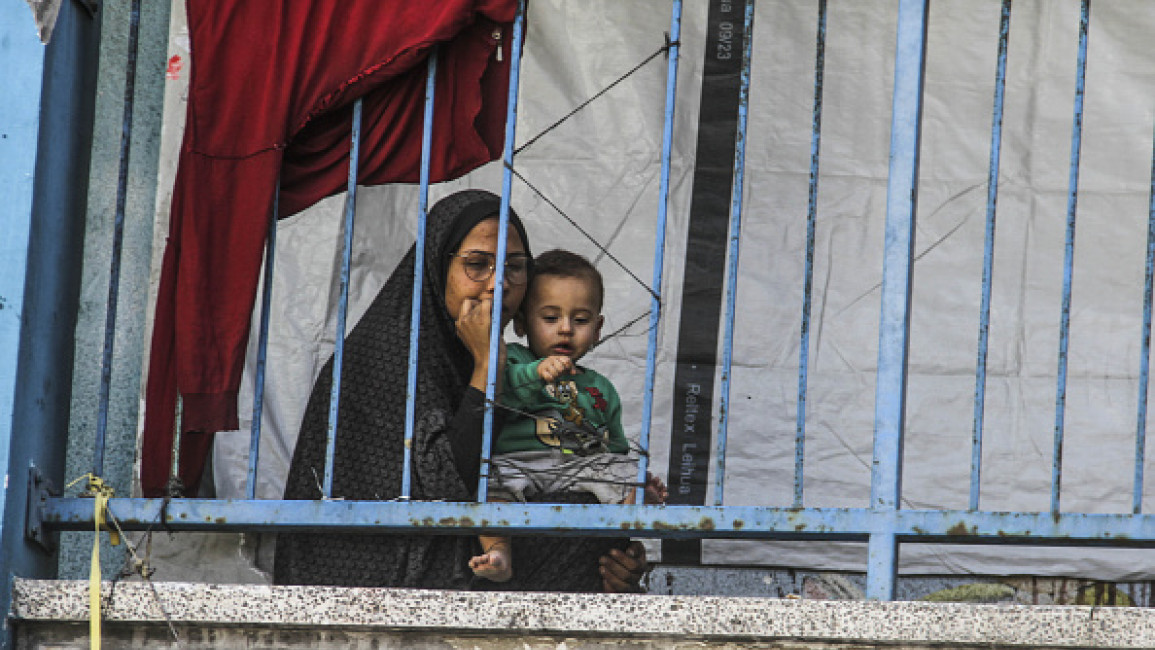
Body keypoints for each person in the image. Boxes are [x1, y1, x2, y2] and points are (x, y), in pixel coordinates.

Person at [273, 189, 650, 592]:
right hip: (371, 584)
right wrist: (487, 367)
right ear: (437, 267)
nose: (498, 284)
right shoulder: (386, 355)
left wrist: (614, 550)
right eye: (477, 265)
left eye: (514, 267)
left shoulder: (502, 363)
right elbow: (446, 485)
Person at [469, 250, 667, 583]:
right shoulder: (514, 359)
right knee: (489, 487)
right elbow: (502, 392)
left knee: (621, 467)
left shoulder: (599, 386)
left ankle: (632, 503)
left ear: (598, 328)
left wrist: (625, 474)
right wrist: (536, 373)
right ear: (521, 322)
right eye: (550, 318)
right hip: (518, 461)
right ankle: (499, 553)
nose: (565, 330)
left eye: (580, 320)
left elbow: (614, 443)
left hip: (576, 467)